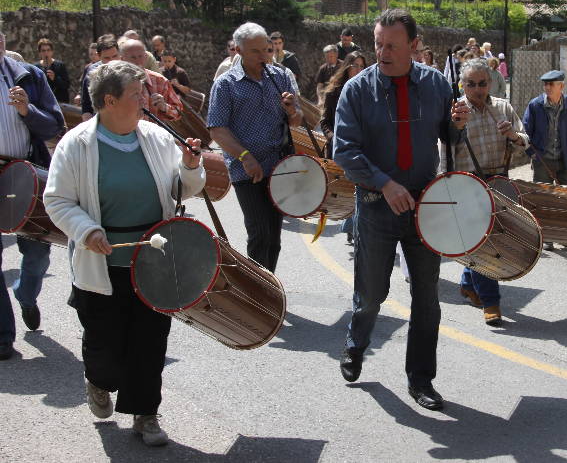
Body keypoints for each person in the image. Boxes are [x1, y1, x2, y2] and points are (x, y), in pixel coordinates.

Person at [43, 60, 205, 445]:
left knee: (150, 342)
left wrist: (191, 166)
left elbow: (182, 189)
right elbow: (57, 200)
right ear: (109, 100)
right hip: (100, 259)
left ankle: (146, 415)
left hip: (153, 259)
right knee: (105, 345)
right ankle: (99, 381)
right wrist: (87, 230)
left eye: (144, 91)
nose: (146, 99)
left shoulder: (155, 136)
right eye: (137, 94)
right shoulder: (77, 144)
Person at [333, 9, 470, 411]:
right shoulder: (357, 90)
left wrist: (457, 122)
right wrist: (385, 183)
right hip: (377, 205)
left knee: (427, 299)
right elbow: (344, 151)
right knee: (372, 294)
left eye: (391, 45)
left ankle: (421, 380)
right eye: (377, 43)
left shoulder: (435, 84)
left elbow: (448, 134)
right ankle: (356, 346)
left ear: (413, 46)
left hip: (425, 204)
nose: (382, 52)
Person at [208, 22, 303, 272]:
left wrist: (292, 110)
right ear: (238, 50)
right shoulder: (226, 84)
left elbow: (297, 120)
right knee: (259, 233)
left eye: (267, 50)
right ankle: (259, 296)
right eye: (256, 52)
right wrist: (244, 156)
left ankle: (268, 288)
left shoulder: (281, 76)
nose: (264, 57)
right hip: (246, 170)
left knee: (274, 237)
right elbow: (217, 128)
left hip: (278, 166)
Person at [445, 58, 528, 326]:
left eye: (482, 83)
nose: (478, 89)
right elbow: (445, 155)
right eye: (471, 84)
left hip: (499, 185)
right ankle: (491, 302)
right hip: (469, 187)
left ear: (490, 83)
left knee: (489, 241)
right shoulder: (456, 113)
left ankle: (469, 283)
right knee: (486, 244)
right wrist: (446, 188)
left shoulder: (503, 108)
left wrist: (513, 136)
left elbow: (525, 143)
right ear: (462, 85)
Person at [0, 31, 64, 360]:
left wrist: (28, 111)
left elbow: (54, 126)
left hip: (26, 172)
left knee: (37, 252)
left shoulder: (30, 76)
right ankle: (2, 337)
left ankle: (26, 294)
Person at [522, 70, 567, 249]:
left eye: (551, 84)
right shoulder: (535, 105)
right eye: (545, 84)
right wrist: (532, 154)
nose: (547, 87)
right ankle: (546, 237)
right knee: (543, 200)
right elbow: (526, 132)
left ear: (561, 86)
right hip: (542, 160)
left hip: (566, 159)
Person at [320, 51, 367, 244]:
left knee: (361, 188)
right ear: (347, 67)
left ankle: (356, 227)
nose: (358, 70)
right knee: (348, 188)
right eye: (354, 65)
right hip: (341, 149)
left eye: (361, 66)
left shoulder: (370, 90)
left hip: (364, 148)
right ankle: (351, 226)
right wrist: (333, 138)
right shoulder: (334, 92)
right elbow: (324, 122)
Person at [120, 39, 181, 121]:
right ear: (122, 59)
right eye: (133, 57)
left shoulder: (160, 81)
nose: (137, 61)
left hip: (151, 133)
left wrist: (164, 107)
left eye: (140, 56)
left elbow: (178, 112)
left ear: (146, 57)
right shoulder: (114, 82)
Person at [81, 34, 121, 121]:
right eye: (107, 58)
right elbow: (86, 106)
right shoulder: (91, 73)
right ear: (99, 56)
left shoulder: (128, 72)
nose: (112, 61)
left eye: (115, 56)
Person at [34, 38, 70, 102]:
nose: (46, 53)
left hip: (59, 101)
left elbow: (66, 85)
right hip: (43, 102)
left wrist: (55, 78)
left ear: (52, 52)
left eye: (48, 50)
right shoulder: (36, 67)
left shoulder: (60, 65)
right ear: (40, 53)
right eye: (43, 51)